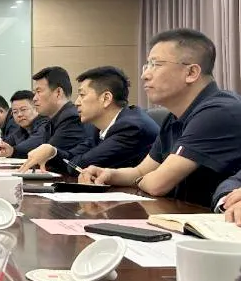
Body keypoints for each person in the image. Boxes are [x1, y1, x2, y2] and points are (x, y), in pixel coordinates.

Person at [80, 29, 241, 208]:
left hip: (216, 221)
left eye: (156, 65)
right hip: (180, 216)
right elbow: (141, 171)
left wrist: (141, 179)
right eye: (147, 65)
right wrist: (109, 174)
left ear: (191, 72)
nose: (145, 75)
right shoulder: (174, 117)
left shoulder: (218, 111)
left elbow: (157, 185)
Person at [20, 66, 158, 173]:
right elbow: (71, 157)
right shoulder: (98, 128)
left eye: (82, 95)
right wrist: (52, 151)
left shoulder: (131, 127)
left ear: (106, 98)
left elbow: (80, 165)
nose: (77, 102)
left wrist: (57, 155)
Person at [0, 66, 92, 163]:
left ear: (58, 92)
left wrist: (14, 151)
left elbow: (47, 158)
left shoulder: (70, 118)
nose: (34, 98)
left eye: (39, 92)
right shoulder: (53, 119)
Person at [0, 90, 49, 158]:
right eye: (15, 112)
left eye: (23, 109)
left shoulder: (45, 124)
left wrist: (13, 151)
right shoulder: (21, 130)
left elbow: (35, 142)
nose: (19, 115)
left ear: (36, 108)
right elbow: (5, 142)